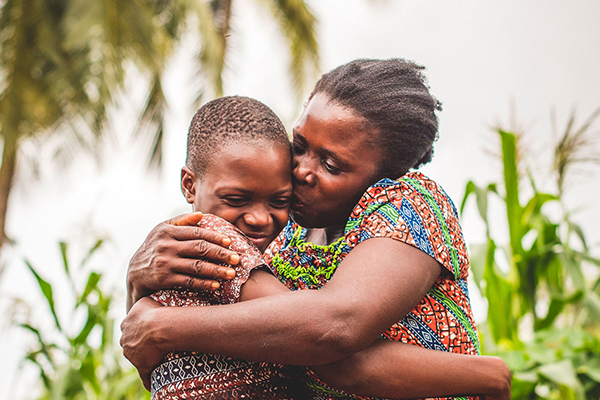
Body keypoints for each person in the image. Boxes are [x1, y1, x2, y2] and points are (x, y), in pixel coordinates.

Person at [122, 59, 511, 400]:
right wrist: (136, 281)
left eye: (331, 164)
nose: (302, 171)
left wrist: (166, 327)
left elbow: (334, 330)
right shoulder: (284, 232)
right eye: (301, 145)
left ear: (385, 176)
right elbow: (178, 364)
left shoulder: (410, 208)